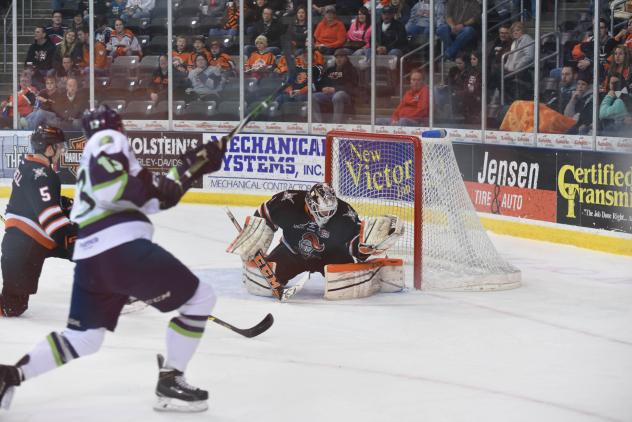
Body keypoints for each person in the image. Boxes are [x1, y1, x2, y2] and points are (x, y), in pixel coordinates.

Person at [0, 105, 226, 412]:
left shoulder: (92, 164)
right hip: (120, 249)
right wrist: (190, 166)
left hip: (91, 260)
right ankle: (171, 379)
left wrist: (192, 166)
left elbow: (159, 197)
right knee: (200, 299)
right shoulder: (107, 141)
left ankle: (10, 375)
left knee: (84, 338)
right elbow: (119, 188)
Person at [229, 183, 403, 298]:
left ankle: (379, 275)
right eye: (324, 212)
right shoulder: (287, 202)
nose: (328, 216)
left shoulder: (344, 212)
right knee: (263, 285)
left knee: (346, 290)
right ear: (311, 205)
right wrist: (255, 235)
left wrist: (366, 248)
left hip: (331, 256)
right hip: (292, 252)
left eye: (331, 211)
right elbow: (264, 215)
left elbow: (353, 245)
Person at [0, 125, 76, 317]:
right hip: (24, 248)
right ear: (48, 148)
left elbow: (35, 200)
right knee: (12, 308)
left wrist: (63, 204)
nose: (61, 151)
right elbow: (51, 221)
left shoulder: (29, 165)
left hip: (28, 240)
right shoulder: (42, 175)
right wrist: (73, 239)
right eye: (59, 147)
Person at [312, 48, 358, 124]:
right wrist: (323, 88)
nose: (339, 59)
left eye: (341, 57)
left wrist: (335, 89)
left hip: (345, 95)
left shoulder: (351, 70)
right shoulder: (330, 70)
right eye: (337, 57)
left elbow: (351, 87)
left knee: (337, 96)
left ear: (346, 58)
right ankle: (318, 124)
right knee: (312, 97)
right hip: (329, 94)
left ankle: (336, 124)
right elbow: (321, 82)